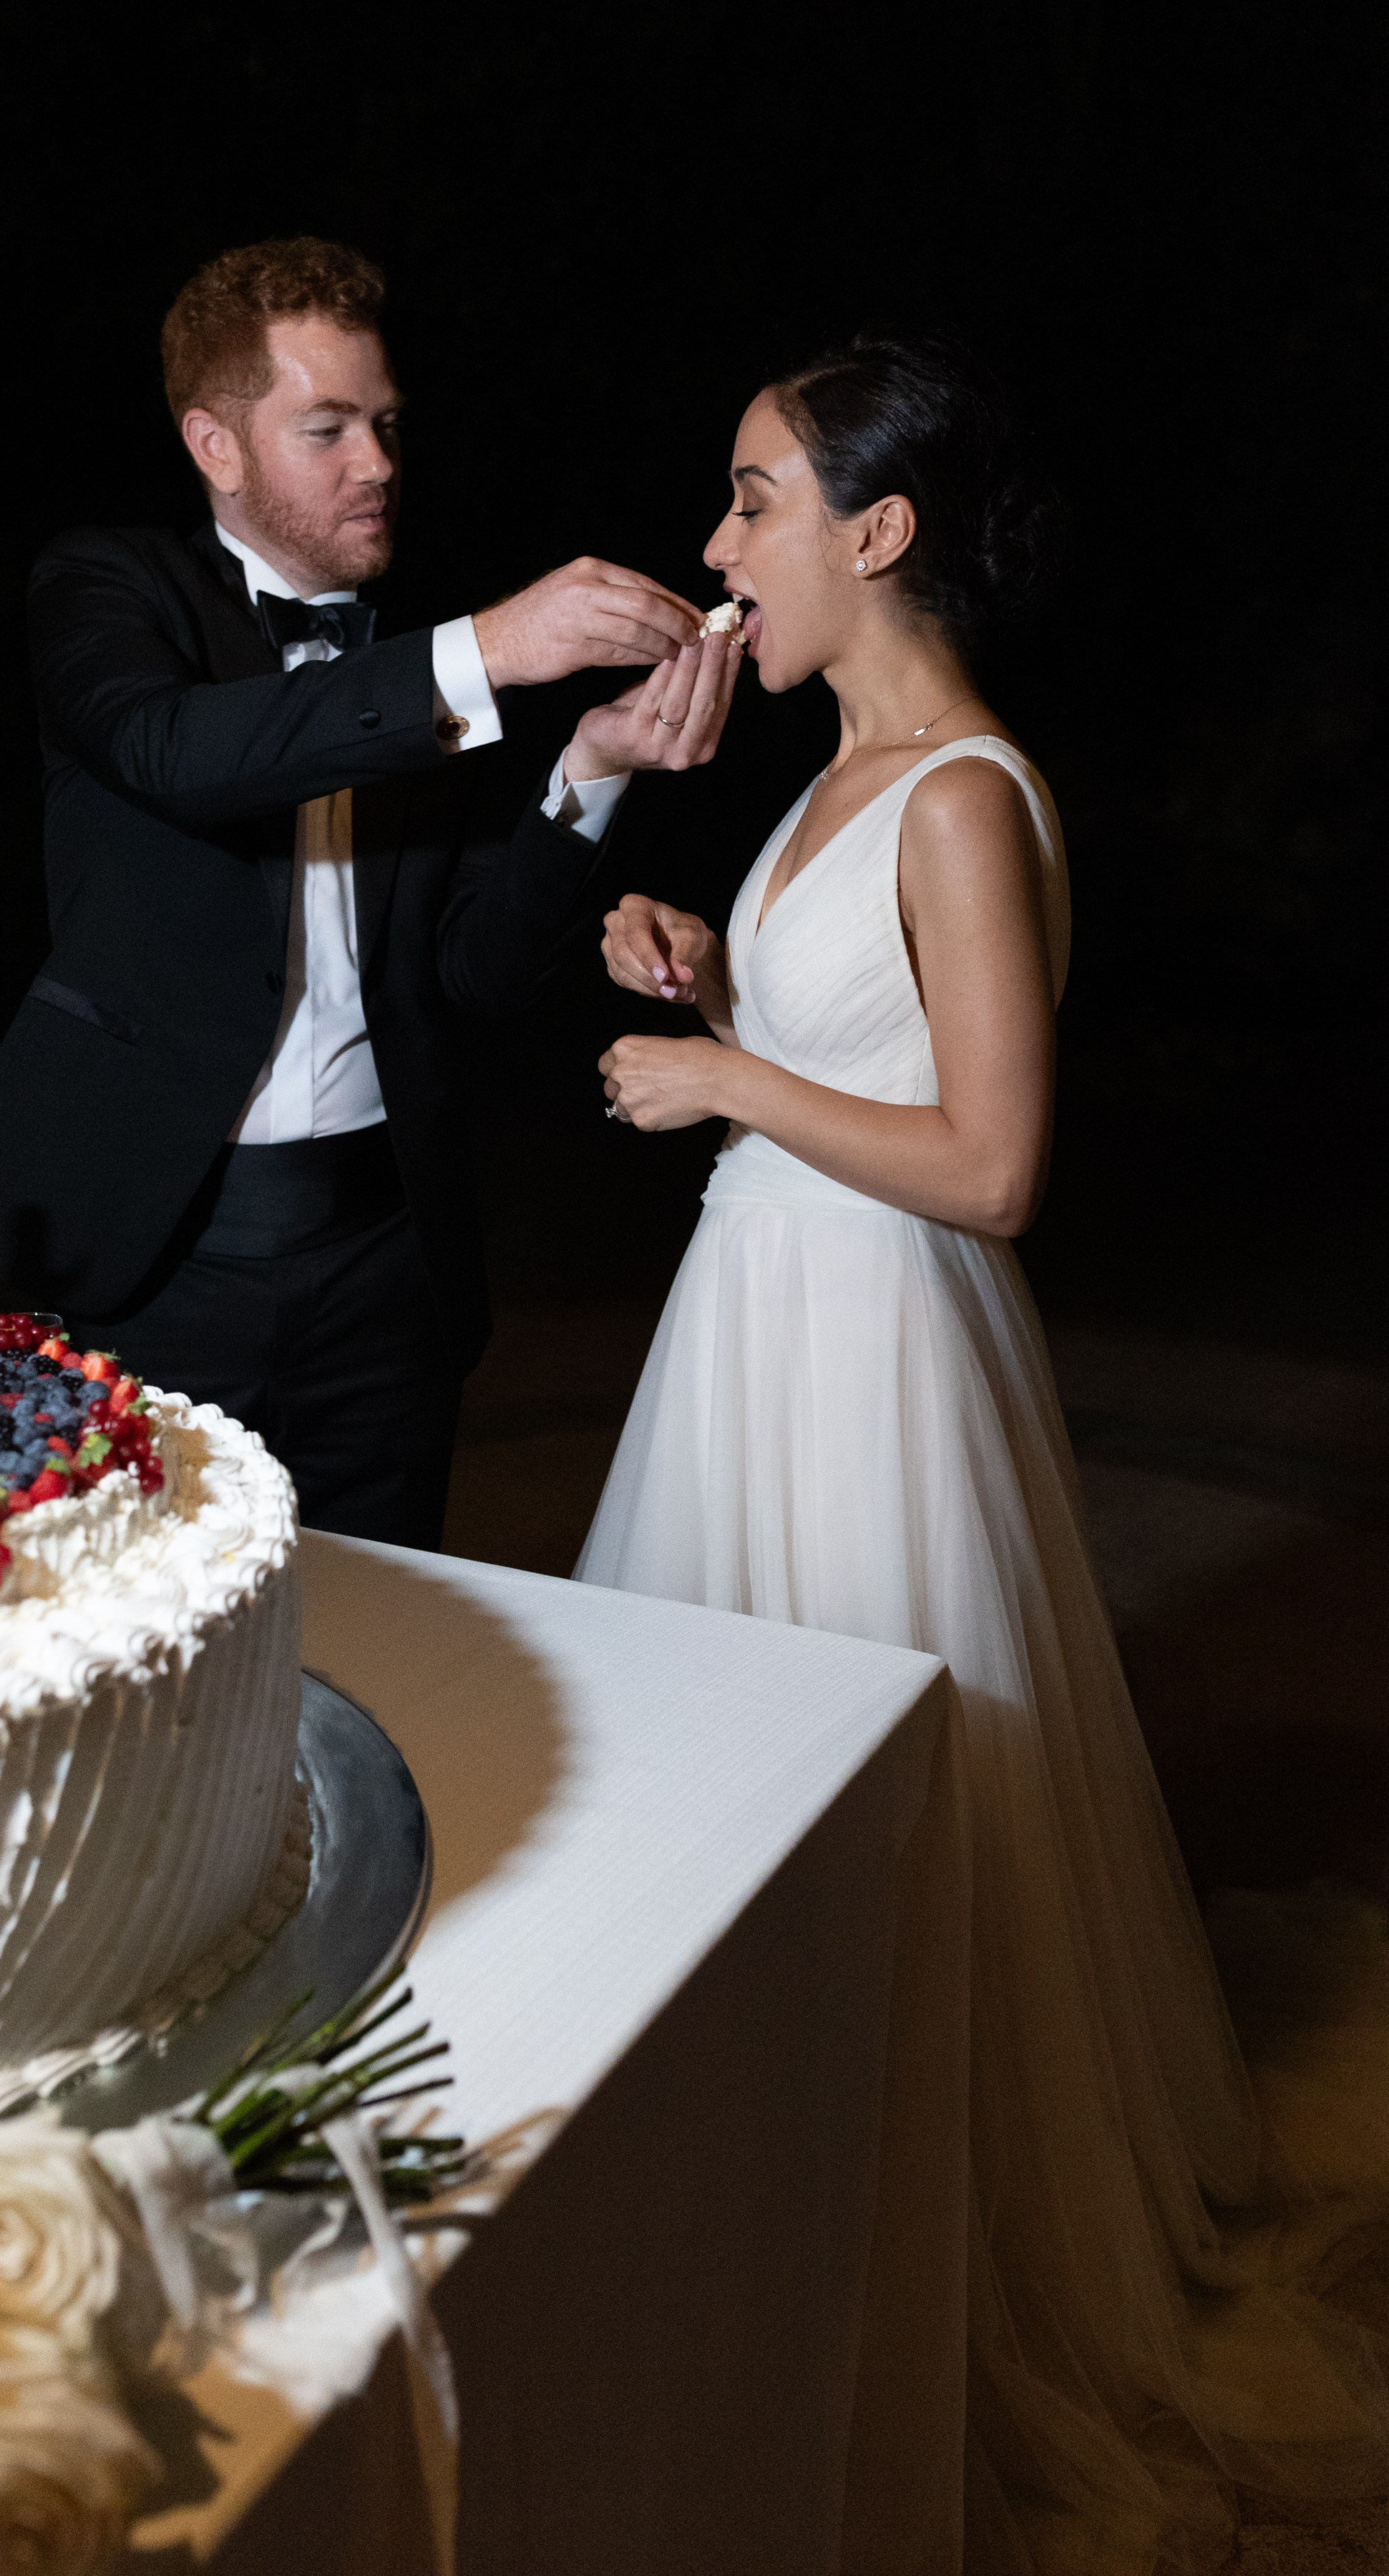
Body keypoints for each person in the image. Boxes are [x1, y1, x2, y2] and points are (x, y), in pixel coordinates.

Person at [576, 334, 1389, 2570]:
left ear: (882, 527)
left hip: (874, 1358)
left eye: (755, 499)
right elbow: (873, 1053)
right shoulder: (839, 773)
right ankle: (758, 2201)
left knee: (889, 1811)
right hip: (762, 1323)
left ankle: (919, 2266)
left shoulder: (959, 793)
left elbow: (997, 1166)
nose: (720, 545)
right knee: (736, 1798)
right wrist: (721, 990)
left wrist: (729, 1086)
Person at [0, 236, 741, 1543]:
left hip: (387, 1263)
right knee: (143, 1622)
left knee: (385, 1626)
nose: (376, 462)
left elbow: (478, 969)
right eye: (326, 429)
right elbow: (172, 751)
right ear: (216, 446)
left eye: (384, 424)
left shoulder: (420, 659)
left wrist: (593, 765)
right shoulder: (107, 586)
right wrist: (488, 650)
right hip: (153, 1254)